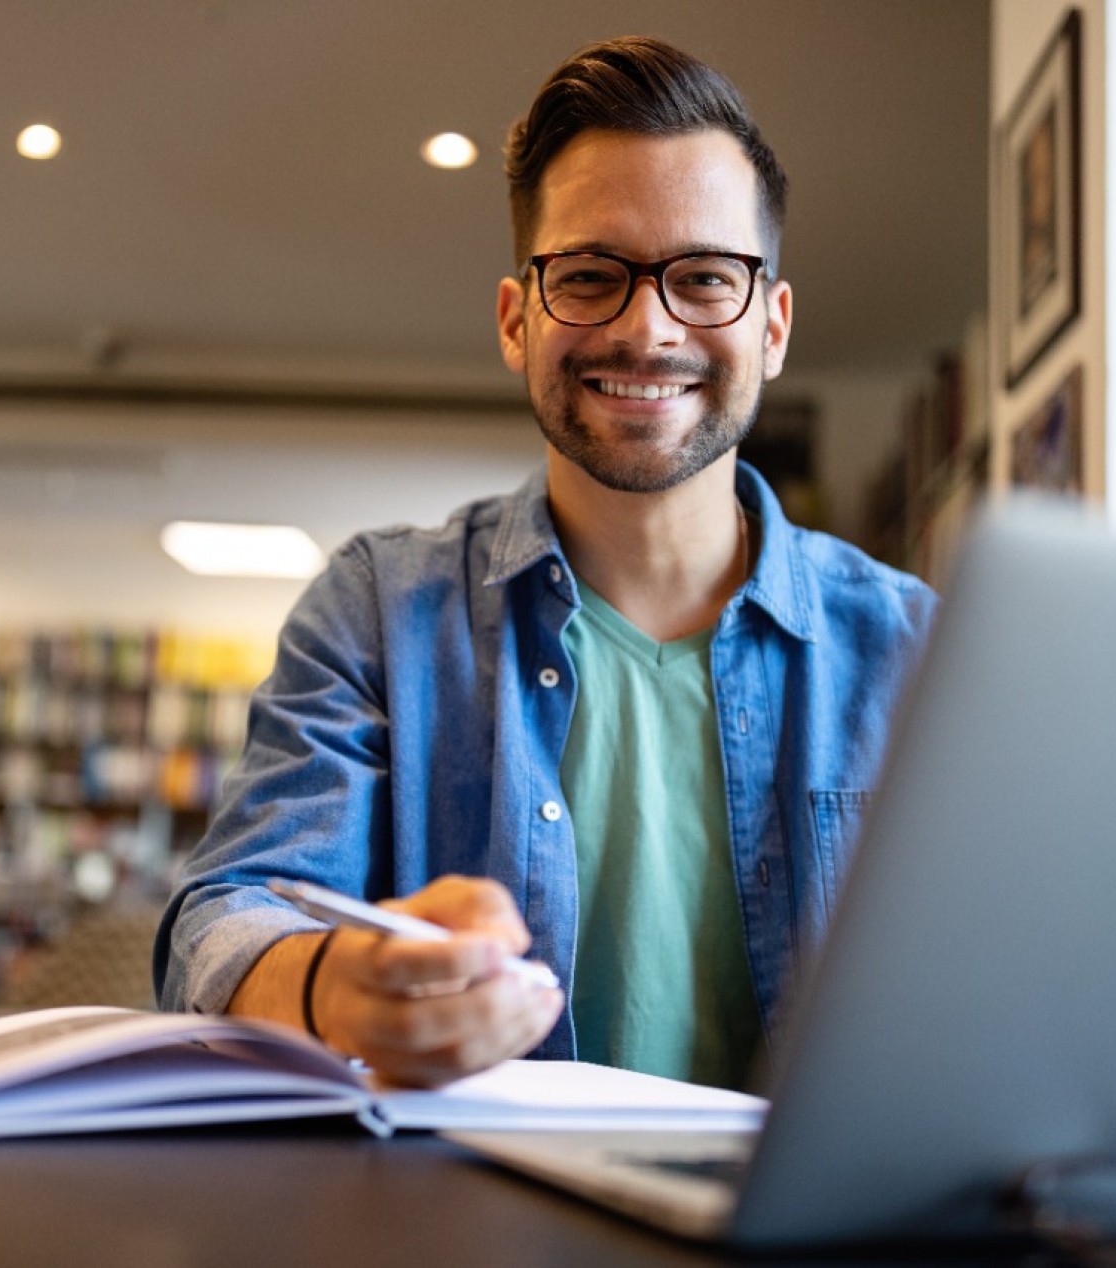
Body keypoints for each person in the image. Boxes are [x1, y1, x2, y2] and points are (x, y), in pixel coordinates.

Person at [155, 36, 935, 1090]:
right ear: (516, 321)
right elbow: (226, 915)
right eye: (589, 276)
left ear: (773, 326)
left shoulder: (921, 651)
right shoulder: (378, 612)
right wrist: (330, 984)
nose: (646, 328)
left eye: (706, 278)